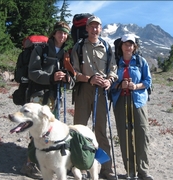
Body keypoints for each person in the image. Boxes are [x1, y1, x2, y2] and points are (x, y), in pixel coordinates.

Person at [20, 21, 72, 179]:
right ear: (54, 33)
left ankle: (45, 164)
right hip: (38, 95)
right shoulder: (40, 49)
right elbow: (33, 72)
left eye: (65, 33)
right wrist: (51, 77)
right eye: (59, 32)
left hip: (53, 97)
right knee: (36, 130)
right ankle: (29, 164)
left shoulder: (66, 54)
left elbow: (72, 77)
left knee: (49, 130)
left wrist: (67, 78)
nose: (62, 36)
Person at [71, 15, 118, 180]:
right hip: (84, 90)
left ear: (101, 28)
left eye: (97, 26)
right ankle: (81, 166)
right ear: (87, 28)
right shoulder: (78, 47)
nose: (94, 29)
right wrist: (89, 78)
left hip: (101, 92)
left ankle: (106, 168)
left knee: (100, 131)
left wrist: (109, 80)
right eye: (92, 26)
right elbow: (74, 72)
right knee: (79, 129)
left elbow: (113, 68)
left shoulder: (107, 46)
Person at [110, 34, 153, 180]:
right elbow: (109, 83)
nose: (128, 47)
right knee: (124, 134)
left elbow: (147, 81)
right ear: (121, 46)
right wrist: (118, 85)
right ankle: (130, 172)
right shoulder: (115, 63)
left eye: (131, 44)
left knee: (142, 133)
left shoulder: (141, 61)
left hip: (139, 100)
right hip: (120, 100)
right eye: (125, 44)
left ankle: (143, 170)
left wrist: (136, 86)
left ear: (135, 46)